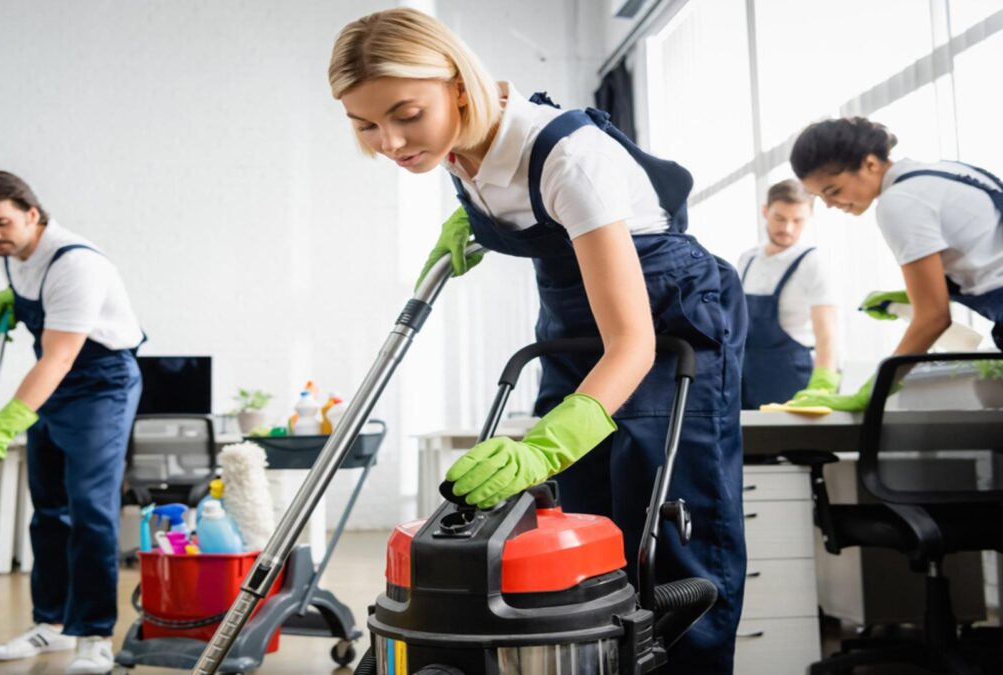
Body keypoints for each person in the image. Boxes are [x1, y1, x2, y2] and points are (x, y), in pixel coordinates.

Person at [328, 9, 747, 672]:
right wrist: (472, 223)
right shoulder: (454, 145)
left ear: (460, 87)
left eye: (406, 115)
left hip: (664, 318)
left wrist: (544, 442)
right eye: (366, 126)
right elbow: (520, 206)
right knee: (575, 527)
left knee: (663, 526)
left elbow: (632, 341)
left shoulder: (569, 157)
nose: (391, 141)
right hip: (573, 321)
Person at [0, 171, 144, 674]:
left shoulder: (75, 263)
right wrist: (14, 305)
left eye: (0, 222)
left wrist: (2, 426)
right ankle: (54, 625)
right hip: (53, 384)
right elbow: (50, 345)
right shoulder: (14, 255)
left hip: (100, 384)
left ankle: (95, 635)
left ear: (31, 213)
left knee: (91, 511)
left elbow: (59, 358)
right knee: (50, 509)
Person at [788, 117, 1002, 411]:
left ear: (870, 164)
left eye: (833, 190)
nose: (829, 204)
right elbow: (987, 260)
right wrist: (912, 298)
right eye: (819, 196)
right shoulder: (942, 172)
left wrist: (872, 391)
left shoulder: (899, 203)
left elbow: (934, 318)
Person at [737, 179, 839, 409]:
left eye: (798, 220)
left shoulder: (812, 262)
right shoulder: (747, 259)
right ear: (765, 211)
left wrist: (823, 384)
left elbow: (827, 334)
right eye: (780, 218)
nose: (788, 228)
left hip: (792, 377)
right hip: (747, 375)